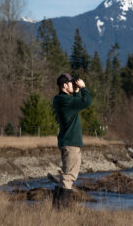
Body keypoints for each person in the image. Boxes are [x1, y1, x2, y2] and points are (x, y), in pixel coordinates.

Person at [52, 73, 92, 209]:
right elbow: (86, 101)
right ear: (64, 85)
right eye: (70, 83)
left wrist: (75, 92)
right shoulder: (65, 101)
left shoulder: (61, 100)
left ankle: (57, 209)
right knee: (69, 176)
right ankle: (62, 209)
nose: (72, 85)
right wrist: (83, 88)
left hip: (67, 143)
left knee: (66, 176)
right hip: (71, 144)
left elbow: (75, 104)